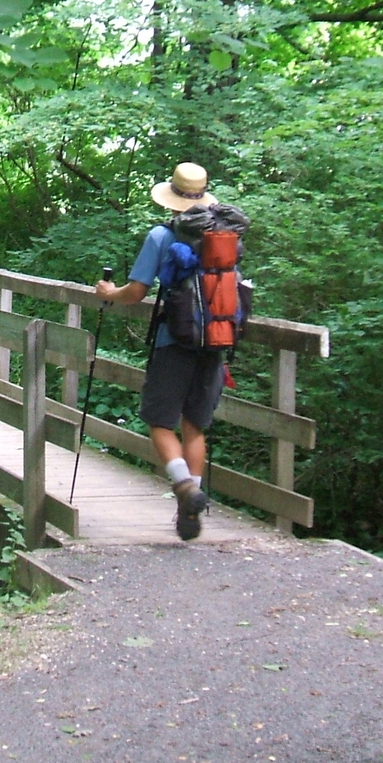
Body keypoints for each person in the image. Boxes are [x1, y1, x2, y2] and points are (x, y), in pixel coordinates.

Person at [95, 161, 227, 541]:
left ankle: (184, 487)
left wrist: (109, 293)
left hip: (175, 340)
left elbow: (136, 292)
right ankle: (189, 512)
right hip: (215, 340)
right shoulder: (222, 236)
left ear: (171, 198)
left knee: (159, 421)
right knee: (194, 425)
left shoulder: (161, 235)